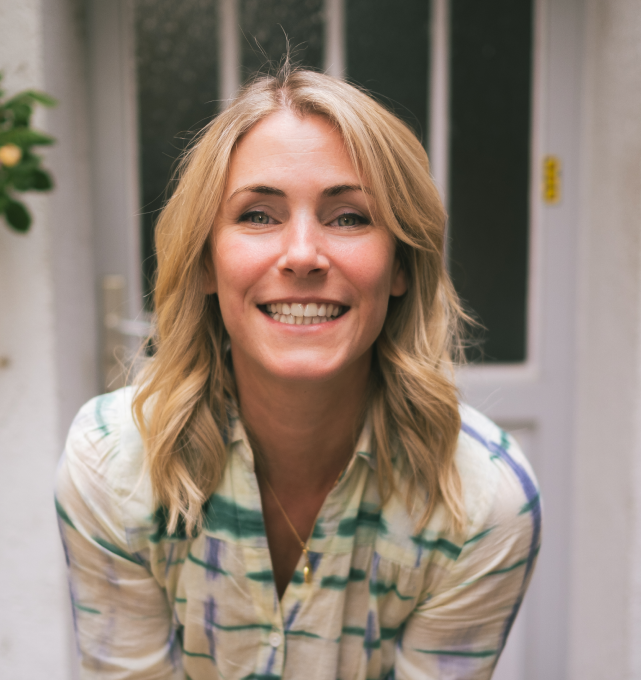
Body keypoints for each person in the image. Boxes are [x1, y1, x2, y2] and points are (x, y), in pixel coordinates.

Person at [55, 64, 541, 680]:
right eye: (259, 215)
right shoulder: (111, 463)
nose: (304, 255)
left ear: (401, 265)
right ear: (204, 263)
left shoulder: (484, 500)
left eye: (349, 217)